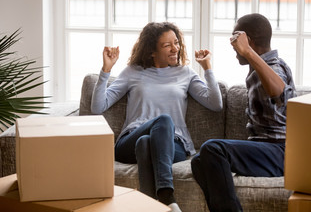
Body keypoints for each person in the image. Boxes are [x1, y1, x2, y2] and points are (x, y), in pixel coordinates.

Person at [91, 22, 223, 212]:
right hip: (129, 140)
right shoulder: (133, 72)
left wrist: (207, 68)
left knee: (146, 143)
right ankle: (167, 195)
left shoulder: (185, 73)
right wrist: (106, 70)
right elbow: (98, 107)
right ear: (152, 51)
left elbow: (215, 104)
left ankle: (151, 206)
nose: (175, 48)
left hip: (174, 144)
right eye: (167, 45)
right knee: (163, 121)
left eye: (176, 43)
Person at [191, 13, 296, 212]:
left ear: (249, 41)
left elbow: (280, 93)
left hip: (280, 152)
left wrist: (248, 52)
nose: (235, 50)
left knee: (212, 148)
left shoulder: (273, 67)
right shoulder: (261, 68)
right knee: (199, 161)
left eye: (236, 43)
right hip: (264, 149)